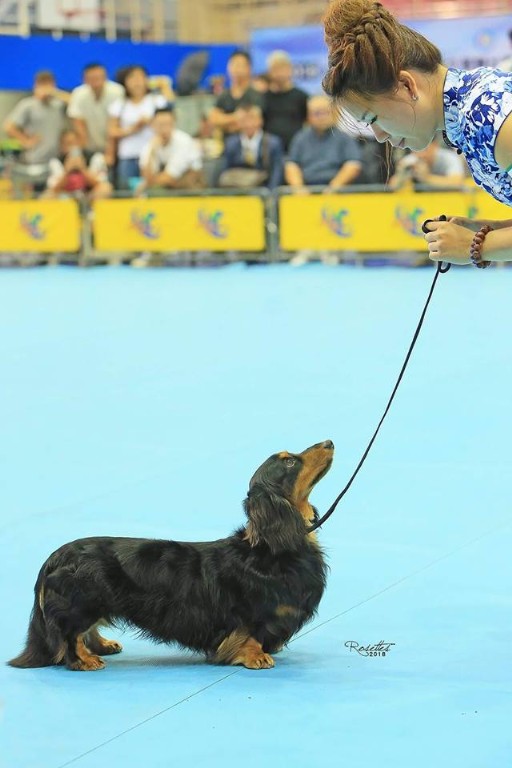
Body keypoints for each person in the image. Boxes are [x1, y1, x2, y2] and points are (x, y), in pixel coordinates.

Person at [322, 0, 512, 266]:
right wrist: (484, 229)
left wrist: (476, 246)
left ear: (406, 85)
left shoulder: (490, 113)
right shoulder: (470, 113)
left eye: (374, 118)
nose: (379, 135)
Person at [108, 65, 173, 190]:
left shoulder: (156, 101)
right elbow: (112, 131)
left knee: (153, 189)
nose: (137, 82)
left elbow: (170, 112)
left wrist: (164, 86)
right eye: (132, 78)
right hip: (128, 155)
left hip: (153, 154)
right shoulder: (119, 105)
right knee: (127, 190)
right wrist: (133, 128)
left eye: (140, 78)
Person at [3, 70, 69, 190]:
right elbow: (8, 126)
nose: (46, 88)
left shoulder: (58, 104)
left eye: (48, 84)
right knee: (35, 193)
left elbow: (74, 102)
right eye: (42, 84)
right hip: (34, 159)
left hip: (55, 159)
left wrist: (55, 92)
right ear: (36, 85)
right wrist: (25, 141)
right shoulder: (28, 105)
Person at [285, 94, 362, 190]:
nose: (322, 117)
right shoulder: (300, 138)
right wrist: (299, 189)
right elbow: (291, 165)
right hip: (306, 189)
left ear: (334, 113)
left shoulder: (344, 138)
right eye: (317, 113)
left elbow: (353, 165)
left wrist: (334, 187)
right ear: (308, 116)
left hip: (338, 190)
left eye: (325, 112)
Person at [67, 63, 123, 168]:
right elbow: (78, 126)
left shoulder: (117, 92)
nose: (96, 81)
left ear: (105, 77)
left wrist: (110, 153)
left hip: (116, 146)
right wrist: (79, 153)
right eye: (91, 78)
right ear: (84, 80)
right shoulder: (78, 94)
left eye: (98, 77)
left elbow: (115, 123)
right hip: (89, 146)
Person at [137, 107, 204, 192]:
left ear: (174, 124)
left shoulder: (184, 141)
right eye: (160, 125)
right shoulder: (151, 144)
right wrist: (152, 152)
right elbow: (145, 175)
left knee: (155, 190)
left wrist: (147, 183)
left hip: (190, 187)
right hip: (168, 186)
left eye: (168, 124)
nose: (164, 129)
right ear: (153, 125)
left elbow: (169, 178)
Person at [217, 104, 284, 190]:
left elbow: (277, 172)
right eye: (244, 120)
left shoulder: (272, 143)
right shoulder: (231, 143)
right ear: (238, 123)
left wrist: (270, 194)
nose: (248, 124)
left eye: (252, 119)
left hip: (262, 190)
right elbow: (225, 170)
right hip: (236, 189)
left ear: (260, 121)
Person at [43, 128, 111, 199]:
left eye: (74, 143)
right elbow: (54, 188)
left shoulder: (95, 157)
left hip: (89, 195)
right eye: (67, 144)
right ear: (61, 146)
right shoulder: (56, 161)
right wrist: (67, 171)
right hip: (64, 196)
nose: (72, 147)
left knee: (106, 188)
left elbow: (100, 183)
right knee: (47, 195)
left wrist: (83, 169)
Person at [208, 50, 265, 135]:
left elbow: (251, 123)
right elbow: (213, 119)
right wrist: (235, 116)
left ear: (249, 68)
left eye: (239, 65)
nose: (236, 69)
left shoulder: (255, 95)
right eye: (233, 64)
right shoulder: (224, 95)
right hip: (226, 141)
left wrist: (224, 123)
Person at [263, 50, 308, 152]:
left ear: (290, 69)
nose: (279, 73)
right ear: (269, 72)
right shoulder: (263, 98)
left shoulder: (302, 97)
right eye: (275, 68)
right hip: (269, 152)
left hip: (296, 150)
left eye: (283, 68)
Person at [389, 140, 466, 190]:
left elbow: (458, 183)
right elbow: (392, 186)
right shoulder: (411, 161)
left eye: (425, 149)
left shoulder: (449, 158)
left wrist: (427, 178)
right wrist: (401, 176)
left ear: (435, 146)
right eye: (416, 150)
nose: (421, 154)